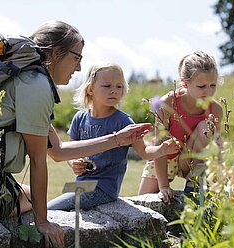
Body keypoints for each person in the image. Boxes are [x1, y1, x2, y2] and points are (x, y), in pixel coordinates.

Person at [0, 21, 152, 248]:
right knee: (29, 200)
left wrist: (117, 139)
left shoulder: (20, 74)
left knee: (27, 194)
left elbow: (57, 151)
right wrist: (42, 223)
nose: (79, 68)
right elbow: (39, 161)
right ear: (57, 52)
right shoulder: (37, 85)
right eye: (77, 57)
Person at [47, 62, 179, 211]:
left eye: (119, 86)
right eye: (107, 86)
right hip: (82, 185)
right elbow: (69, 151)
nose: (114, 91)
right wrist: (74, 163)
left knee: (50, 210)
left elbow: (144, 151)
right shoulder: (80, 118)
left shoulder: (123, 121)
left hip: (104, 189)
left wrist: (161, 149)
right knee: (55, 207)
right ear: (91, 89)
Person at [138, 51, 223, 204]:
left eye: (213, 85)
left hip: (191, 160)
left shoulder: (215, 110)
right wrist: (163, 186)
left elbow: (215, 148)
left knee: (206, 128)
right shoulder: (168, 103)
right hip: (165, 157)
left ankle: (193, 183)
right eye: (202, 86)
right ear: (185, 83)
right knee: (142, 201)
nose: (209, 91)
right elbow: (159, 144)